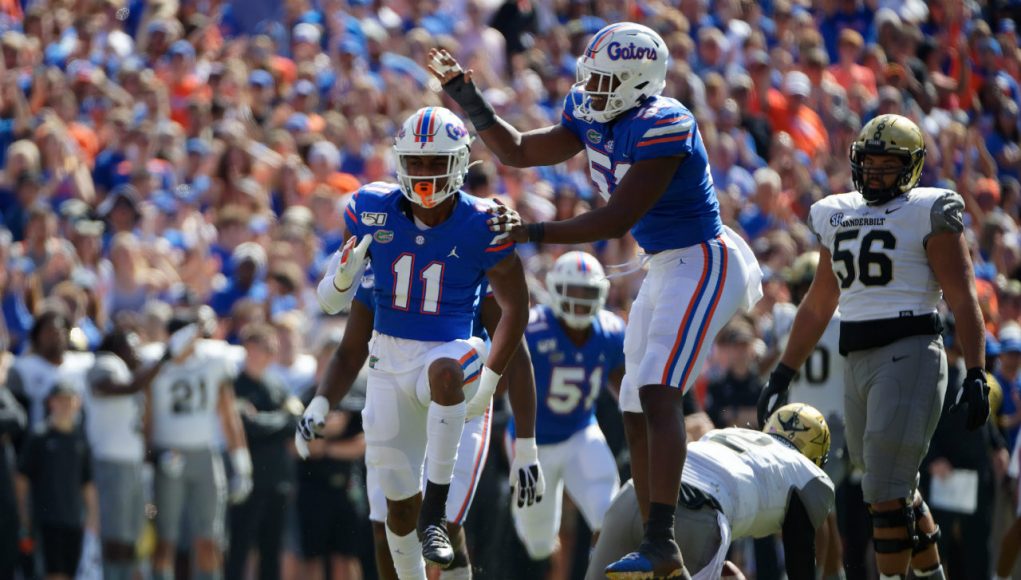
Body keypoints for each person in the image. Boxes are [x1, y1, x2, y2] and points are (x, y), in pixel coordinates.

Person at [429, 22, 762, 577]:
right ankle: (653, 523)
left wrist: (531, 232)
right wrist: (468, 96)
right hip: (663, 265)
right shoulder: (593, 109)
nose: (595, 90)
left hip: (703, 260)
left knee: (658, 390)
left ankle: (663, 535)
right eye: (595, 76)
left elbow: (618, 217)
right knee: (632, 396)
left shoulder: (665, 122)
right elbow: (515, 150)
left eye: (609, 80)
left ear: (639, 83)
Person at [308, 107, 537, 578]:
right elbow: (337, 312)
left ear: (458, 164)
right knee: (393, 517)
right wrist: (344, 277)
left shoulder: (482, 224)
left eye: (436, 162)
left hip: (458, 369)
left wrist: (505, 407)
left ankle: (435, 512)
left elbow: (516, 318)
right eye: (416, 161)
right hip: (390, 366)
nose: (425, 173)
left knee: (444, 521)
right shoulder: (372, 215)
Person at [758, 114, 989, 580]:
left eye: (889, 164)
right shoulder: (835, 210)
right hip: (857, 358)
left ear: (912, 167)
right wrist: (783, 372)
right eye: (871, 162)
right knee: (893, 489)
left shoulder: (929, 209)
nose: (877, 172)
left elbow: (963, 296)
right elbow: (820, 301)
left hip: (911, 350)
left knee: (883, 489)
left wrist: (978, 372)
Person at [300, 267, 534, 580]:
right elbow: (350, 349)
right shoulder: (385, 254)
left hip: (457, 397)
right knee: (387, 521)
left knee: (445, 525)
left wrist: (527, 445)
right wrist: (321, 400)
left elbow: (516, 354)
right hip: (395, 392)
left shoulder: (470, 249)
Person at [587, 403, 834, 580]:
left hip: (636, 494)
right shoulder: (806, 474)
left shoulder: (727, 434)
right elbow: (802, 550)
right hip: (695, 514)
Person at [507, 251, 624, 570]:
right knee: (539, 542)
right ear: (556, 290)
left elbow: (626, 389)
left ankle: (605, 572)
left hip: (580, 432)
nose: (580, 300)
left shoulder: (611, 331)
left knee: (609, 512)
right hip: (532, 442)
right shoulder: (532, 328)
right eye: (572, 291)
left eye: (587, 292)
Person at [147, 317, 254, 580]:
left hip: (205, 456)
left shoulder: (213, 361)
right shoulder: (155, 364)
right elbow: (146, 419)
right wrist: (148, 462)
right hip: (168, 454)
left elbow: (228, 415)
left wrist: (242, 464)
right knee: (165, 539)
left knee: (210, 540)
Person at [771, 251, 846, 578]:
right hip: (828, 425)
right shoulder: (847, 320)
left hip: (805, 428)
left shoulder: (788, 319)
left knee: (816, 510)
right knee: (820, 510)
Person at [84, 328, 174, 580]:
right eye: (130, 345)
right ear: (116, 347)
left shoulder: (133, 373)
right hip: (110, 461)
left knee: (131, 539)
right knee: (115, 538)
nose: (137, 351)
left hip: (130, 464)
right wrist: (167, 356)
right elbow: (114, 387)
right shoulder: (106, 363)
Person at [225, 323, 300, 580]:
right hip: (247, 479)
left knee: (272, 550)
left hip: (277, 479)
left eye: (268, 350)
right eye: (258, 349)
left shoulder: (276, 384)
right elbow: (248, 427)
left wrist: (273, 420)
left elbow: (295, 423)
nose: (263, 355)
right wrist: (282, 418)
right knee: (240, 547)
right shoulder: (235, 385)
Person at [15, 380, 99, 580]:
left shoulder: (80, 439)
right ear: (50, 403)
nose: (65, 406)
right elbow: (21, 479)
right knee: (52, 573)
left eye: (69, 401)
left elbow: (87, 483)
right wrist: (24, 516)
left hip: (73, 519)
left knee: (70, 572)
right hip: (46, 520)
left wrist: (93, 518)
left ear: (77, 403)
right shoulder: (40, 437)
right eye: (60, 400)